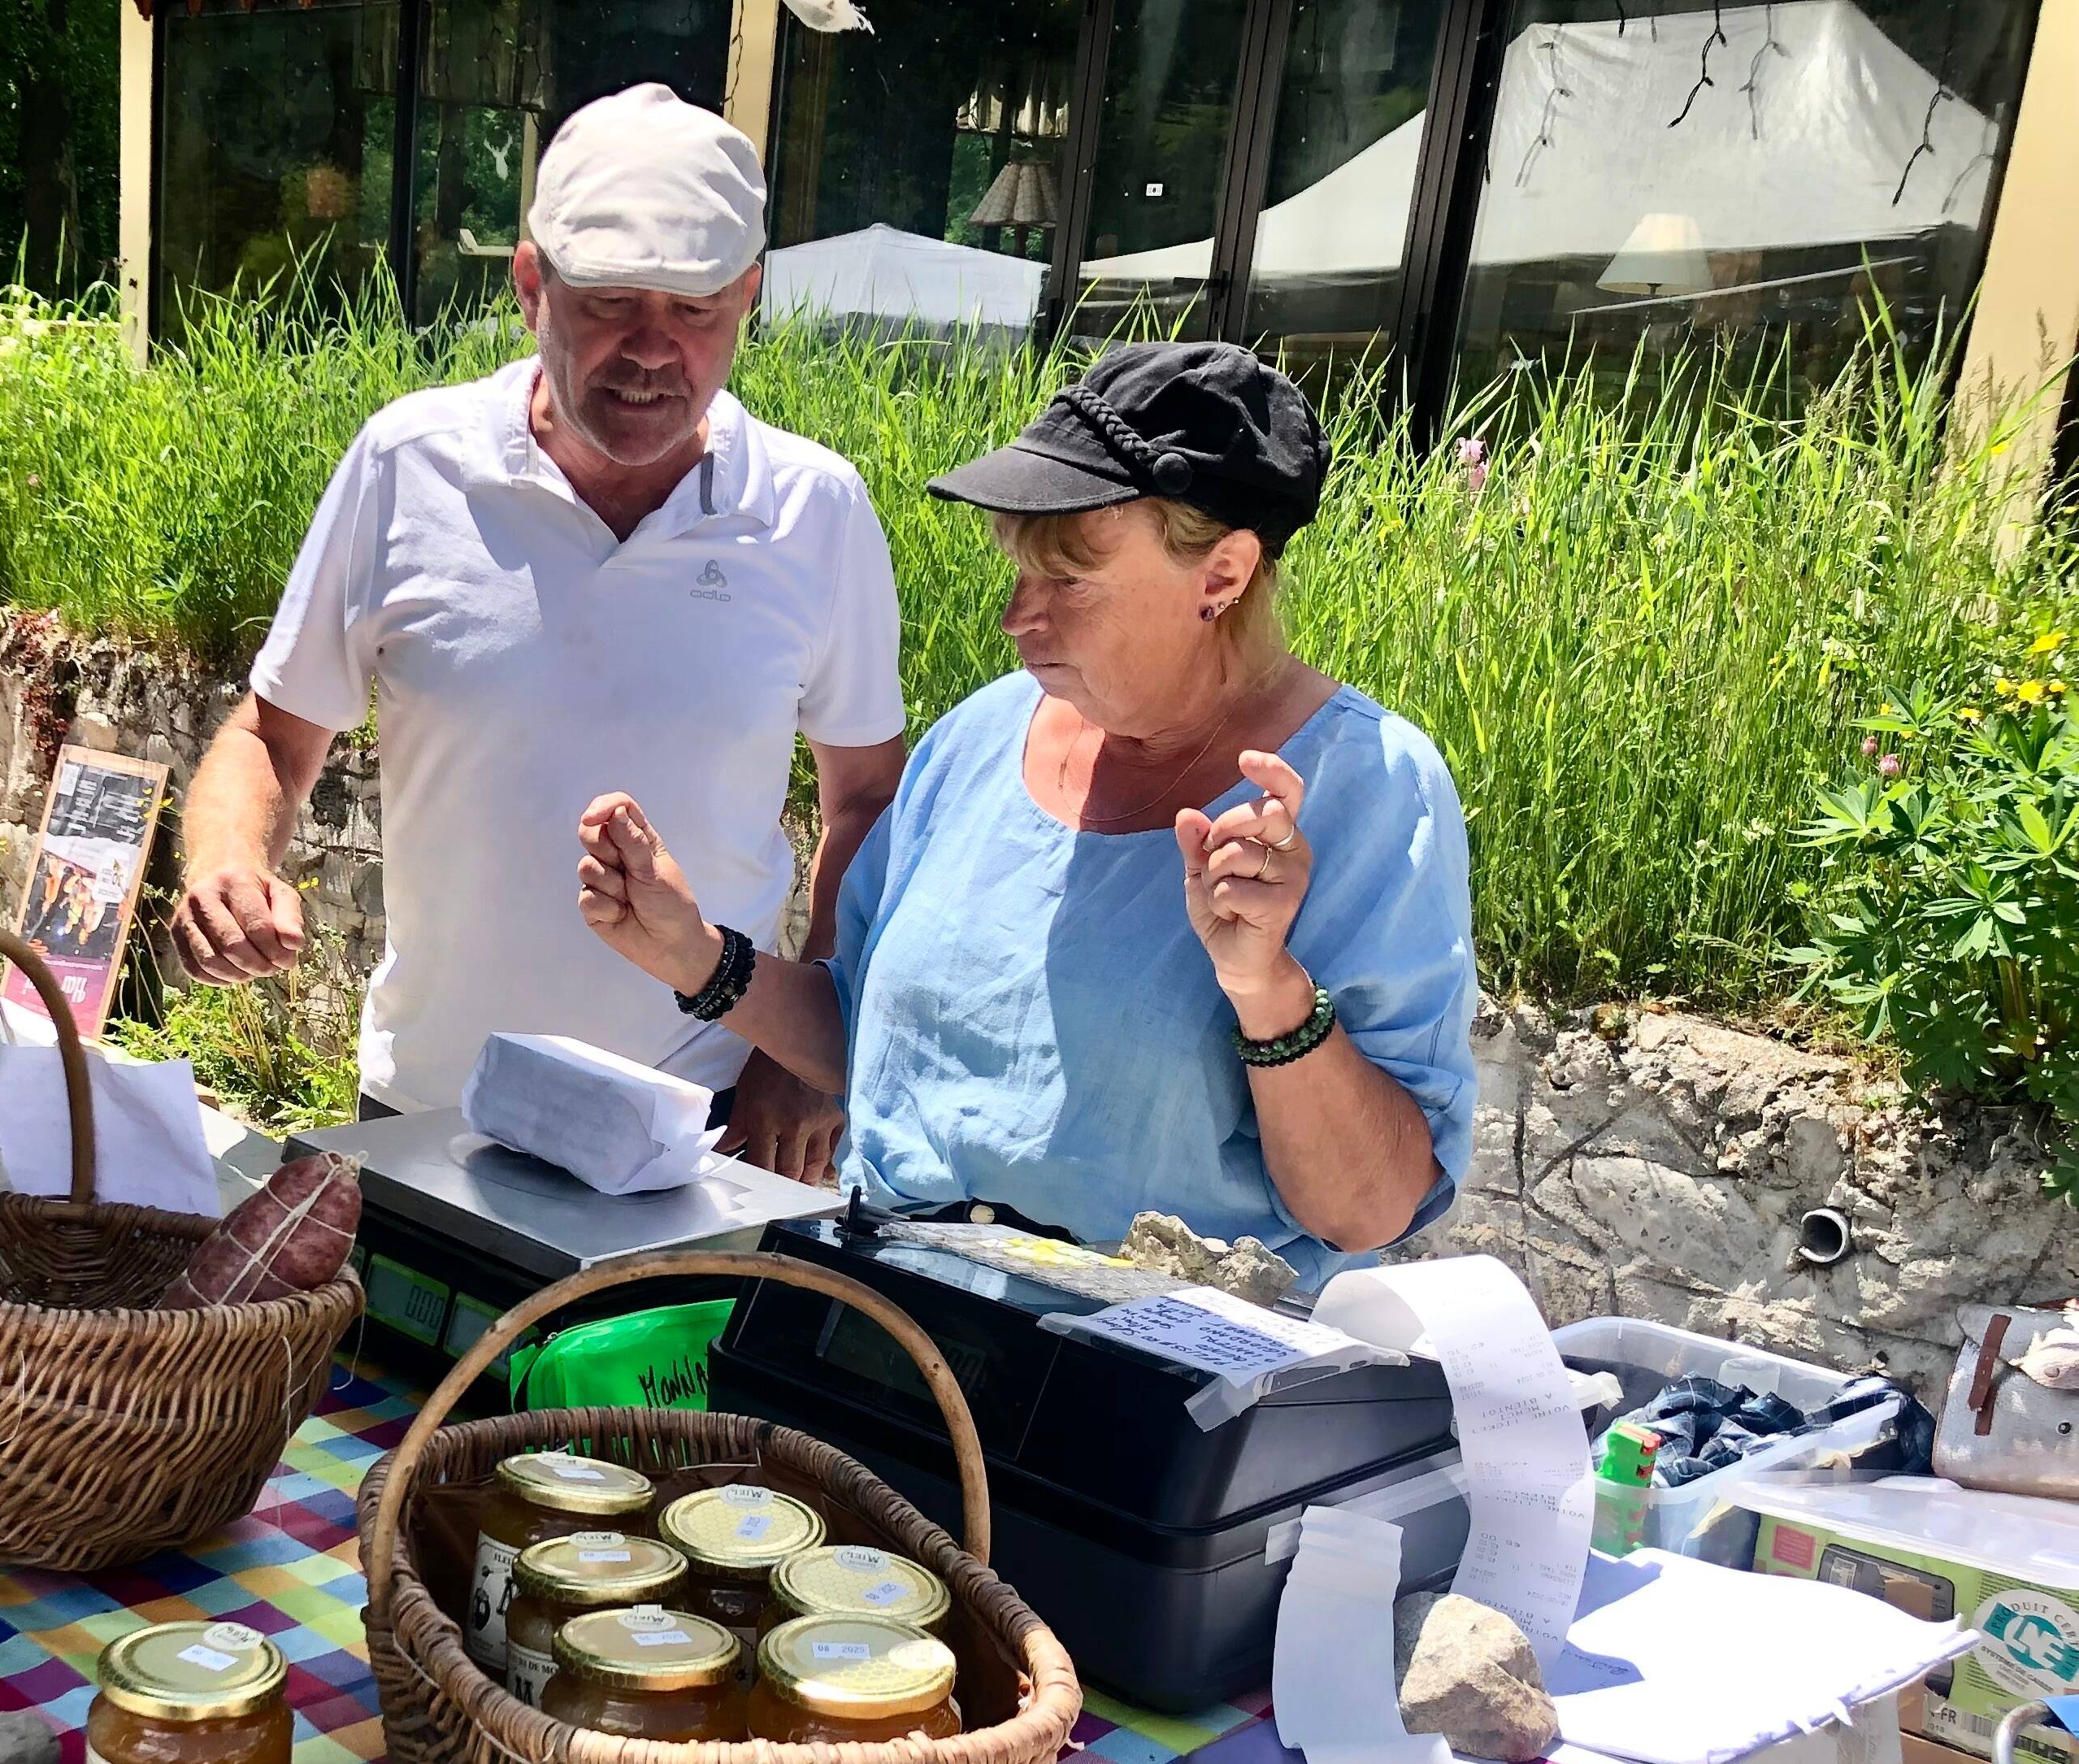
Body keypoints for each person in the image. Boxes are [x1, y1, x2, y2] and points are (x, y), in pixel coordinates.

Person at [578, 341, 1476, 1289]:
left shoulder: (1368, 791)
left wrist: (1268, 991)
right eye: (1019, 570)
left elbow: (1368, 1207)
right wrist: (693, 955)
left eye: (1070, 579)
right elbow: (870, 1045)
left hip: (1141, 1384)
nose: (1018, 617)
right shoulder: (982, 738)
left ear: (1223, 574)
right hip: (884, 1332)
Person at [173, 82, 908, 1180]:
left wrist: (809, 1037)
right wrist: (228, 862)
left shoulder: (815, 509)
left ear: (749, 296)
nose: (655, 350)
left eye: (697, 309)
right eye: (612, 304)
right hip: (429, 1114)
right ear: (532, 286)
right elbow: (273, 739)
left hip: (702, 1129)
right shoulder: (407, 463)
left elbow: (869, 802)